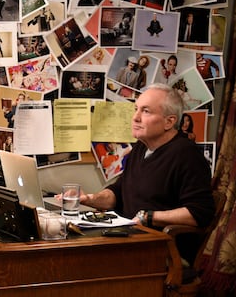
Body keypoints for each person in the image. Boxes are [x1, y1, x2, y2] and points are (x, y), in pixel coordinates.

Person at [77, 84, 215, 260]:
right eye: (136, 109)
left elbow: (200, 213)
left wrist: (149, 217)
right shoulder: (141, 148)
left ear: (169, 122)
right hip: (129, 239)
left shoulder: (187, 155)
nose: (135, 117)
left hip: (161, 251)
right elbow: (120, 191)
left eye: (146, 111)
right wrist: (89, 199)